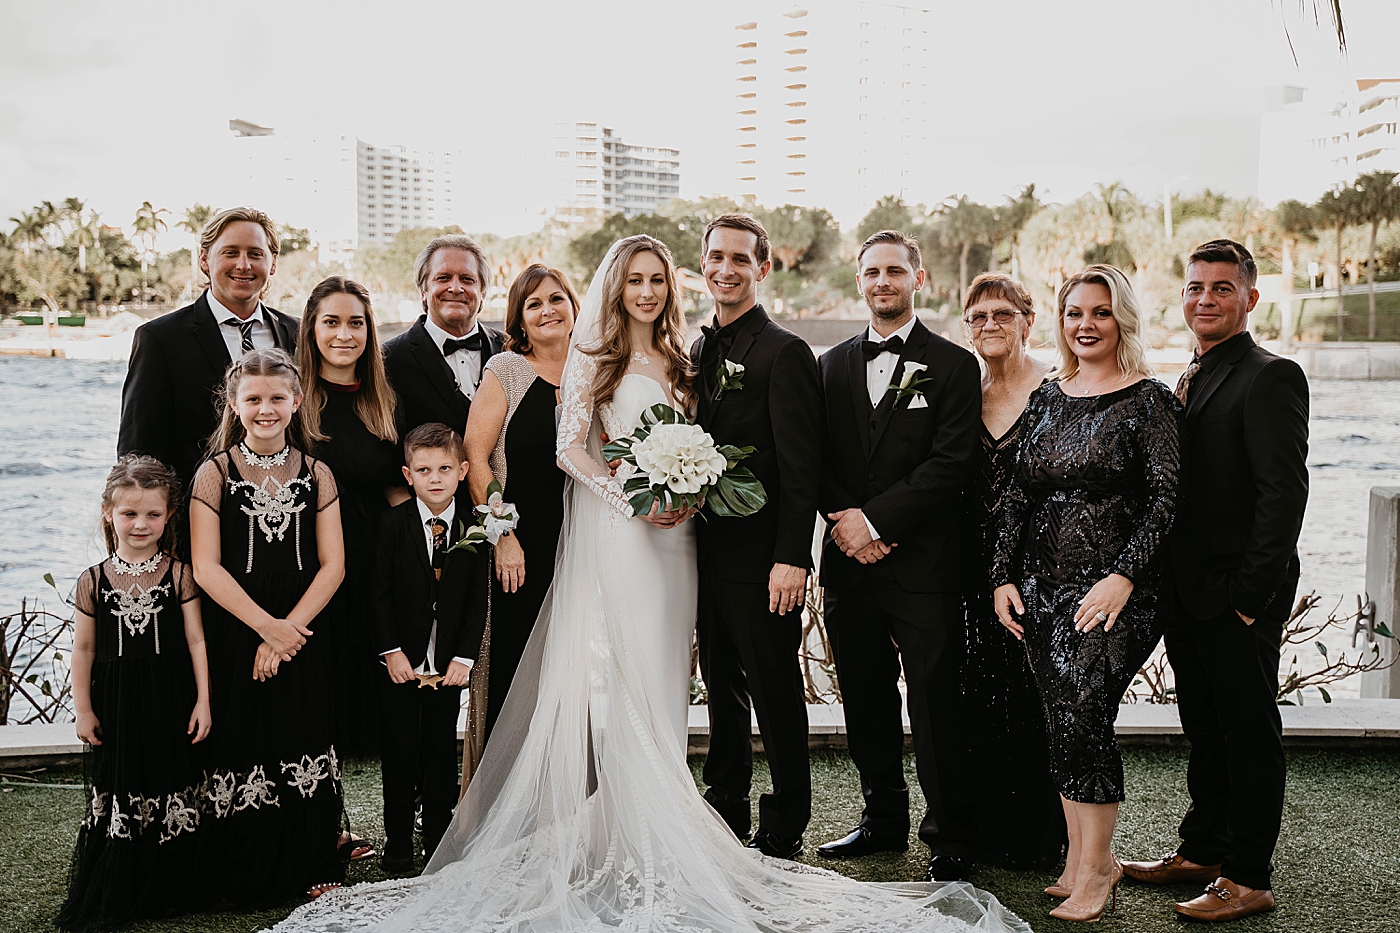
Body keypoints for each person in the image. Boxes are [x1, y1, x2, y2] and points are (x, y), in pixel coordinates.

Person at [273, 236, 1025, 933]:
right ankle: (631, 823)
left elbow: (714, 444)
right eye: (632, 279)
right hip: (626, 535)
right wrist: (631, 497)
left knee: (671, 671)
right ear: (616, 288)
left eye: (656, 280)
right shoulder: (591, 354)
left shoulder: (688, 356)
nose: (643, 290)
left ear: (670, 288)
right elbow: (572, 451)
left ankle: (668, 815)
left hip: (683, 540)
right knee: (626, 669)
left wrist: (690, 489)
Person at [1122, 240, 1308, 923]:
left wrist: (1248, 601)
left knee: (1248, 735)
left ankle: (1249, 875)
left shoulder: (1271, 374)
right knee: (1204, 728)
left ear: (1250, 299)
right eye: (1196, 287)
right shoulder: (1191, 375)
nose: (1205, 298)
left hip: (1237, 599)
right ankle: (1203, 849)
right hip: (1187, 593)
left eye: (1221, 289)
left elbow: (1283, 496)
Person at [992, 264, 1182, 923]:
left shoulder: (1150, 401)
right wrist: (1002, 576)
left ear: (1121, 318)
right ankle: (1077, 857)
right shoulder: (1047, 396)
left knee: (1085, 710)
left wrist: (1123, 575)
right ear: (1062, 320)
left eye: (1100, 312)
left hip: (1117, 589)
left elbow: (1167, 501)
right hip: (1042, 586)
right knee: (1061, 714)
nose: (1086, 324)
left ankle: (1100, 869)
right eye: (1075, 312)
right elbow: (1018, 494)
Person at [814, 231, 982, 883]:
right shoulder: (826, 366)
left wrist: (878, 521)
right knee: (864, 694)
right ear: (859, 281)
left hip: (926, 565)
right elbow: (812, 458)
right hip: (848, 565)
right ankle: (881, 818)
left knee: (937, 701)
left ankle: (951, 831)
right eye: (871, 271)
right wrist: (849, 524)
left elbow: (952, 464)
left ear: (920, 276)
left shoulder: (954, 364)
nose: (882, 280)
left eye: (894, 270)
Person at [188, 348, 349, 904]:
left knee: (300, 731)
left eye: (277, 398)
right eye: (253, 399)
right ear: (234, 404)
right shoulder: (214, 473)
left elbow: (334, 565)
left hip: (304, 623)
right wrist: (265, 629)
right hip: (237, 621)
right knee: (245, 736)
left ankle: (308, 859)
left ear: (297, 401)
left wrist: (289, 632)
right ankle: (246, 867)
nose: (265, 409)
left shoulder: (317, 472)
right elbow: (206, 567)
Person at [692, 213, 821, 859]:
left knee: (774, 690)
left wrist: (791, 558)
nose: (726, 268)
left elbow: (802, 469)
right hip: (703, 556)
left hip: (764, 559)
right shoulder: (698, 348)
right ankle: (726, 801)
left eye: (740, 259)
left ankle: (785, 818)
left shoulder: (785, 351)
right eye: (716, 256)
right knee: (722, 686)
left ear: (763, 269)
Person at [57, 456, 211, 929]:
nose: (141, 524)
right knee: (123, 783)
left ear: (169, 516)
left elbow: (195, 640)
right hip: (117, 702)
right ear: (108, 512)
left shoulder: (180, 574)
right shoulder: (93, 581)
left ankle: (171, 885)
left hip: (170, 697)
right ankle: (125, 884)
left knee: (170, 780)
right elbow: (82, 649)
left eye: (153, 514)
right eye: (129, 514)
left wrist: (204, 699)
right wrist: (82, 709)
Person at [960, 273, 1066, 869]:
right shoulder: (964, 393)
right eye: (978, 317)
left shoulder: (1058, 388)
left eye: (1003, 313)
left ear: (1028, 320)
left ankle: (1040, 836)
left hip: (1043, 568)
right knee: (979, 694)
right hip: (973, 566)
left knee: (1036, 697)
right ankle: (984, 827)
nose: (991, 325)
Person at [118, 207, 297, 551]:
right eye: (230, 253)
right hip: (197, 536)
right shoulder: (160, 339)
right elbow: (139, 453)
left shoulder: (297, 334)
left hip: (287, 528)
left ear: (272, 264)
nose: (243, 265)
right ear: (204, 259)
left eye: (255, 254)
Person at [461, 264, 577, 771]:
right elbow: (476, 456)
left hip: (586, 545)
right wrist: (502, 534)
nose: (548, 310)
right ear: (520, 320)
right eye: (534, 304)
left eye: (556, 299)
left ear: (575, 307)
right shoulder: (505, 370)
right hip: (522, 551)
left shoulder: (598, 370)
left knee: (575, 675)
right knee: (517, 672)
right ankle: (506, 803)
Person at [298, 277, 404, 761]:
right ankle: (320, 829)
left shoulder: (384, 401)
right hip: (308, 567)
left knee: (378, 701)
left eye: (356, 323)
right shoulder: (291, 401)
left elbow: (397, 483)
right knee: (315, 697)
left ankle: (403, 829)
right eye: (332, 322)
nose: (345, 334)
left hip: (374, 565)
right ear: (311, 329)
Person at [374, 422, 486, 874]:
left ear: (462, 470)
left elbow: (479, 597)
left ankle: (438, 841)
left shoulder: (475, 526)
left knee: (441, 753)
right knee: (400, 752)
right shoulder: (392, 525)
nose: (434, 478)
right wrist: (391, 651)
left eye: (443, 468)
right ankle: (398, 842)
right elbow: (377, 595)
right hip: (402, 662)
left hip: (447, 666)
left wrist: (464, 657)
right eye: (423, 470)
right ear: (408, 474)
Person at [383, 234, 504, 441]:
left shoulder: (509, 349)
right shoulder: (388, 359)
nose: (456, 288)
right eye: (443, 278)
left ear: (482, 292)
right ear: (423, 290)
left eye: (467, 279)